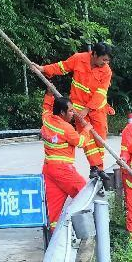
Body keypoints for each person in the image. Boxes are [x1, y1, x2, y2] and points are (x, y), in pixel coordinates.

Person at [36, 42, 114, 181]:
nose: (106, 63)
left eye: (108, 60)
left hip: (97, 108)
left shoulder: (106, 71)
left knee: (100, 139)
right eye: (104, 59)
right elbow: (62, 67)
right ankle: (96, 168)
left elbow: (101, 93)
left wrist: (88, 108)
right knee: (87, 136)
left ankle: (98, 168)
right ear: (94, 54)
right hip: (78, 106)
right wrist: (43, 69)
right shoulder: (79, 58)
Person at [41, 95, 92, 230]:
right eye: (70, 111)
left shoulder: (46, 120)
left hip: (48, 169)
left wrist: (48, 94)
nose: (73, 113)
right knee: (85, 194)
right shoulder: (66, 128)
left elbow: (46, 108)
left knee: (53, 207)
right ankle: (84, 229)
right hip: (62, 169)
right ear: (62, 112)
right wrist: (86, 130)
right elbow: (81, 142)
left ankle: (53, 235)